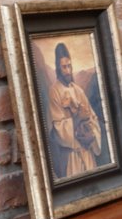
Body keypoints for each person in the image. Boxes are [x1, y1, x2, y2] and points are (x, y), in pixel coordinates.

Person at [45, 42, 105, 180]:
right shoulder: (54, 91)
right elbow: (57, 128)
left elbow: (93, 118)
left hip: (87, 152)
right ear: (58, 69)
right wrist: (77, 118)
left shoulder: (78, 90)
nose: (67, 71)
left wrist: (92, 136)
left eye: (69, 66)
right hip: (71, 156)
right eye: (64, 67)